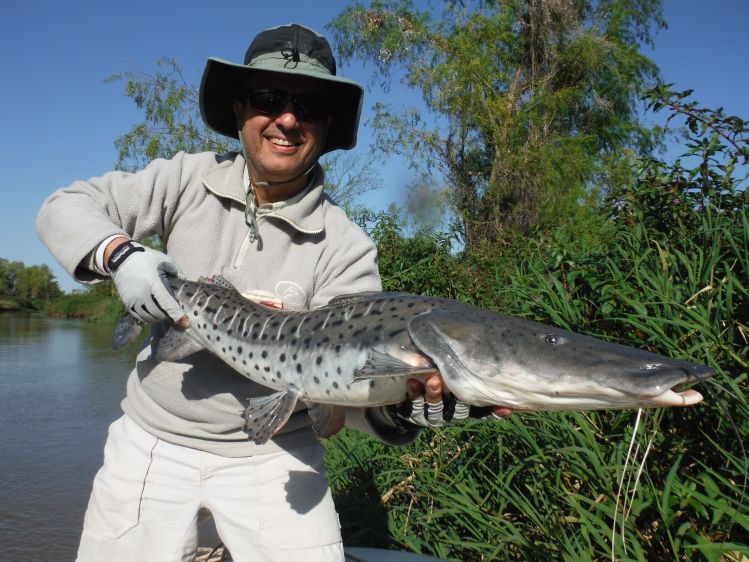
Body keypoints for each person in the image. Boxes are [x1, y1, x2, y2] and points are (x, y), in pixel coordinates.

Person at [37, 23, 510, 562]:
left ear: (327, 126)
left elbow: (345, 398)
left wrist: (407, 410)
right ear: (240, 109)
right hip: (153, 437)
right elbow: (63, 206)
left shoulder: (347, 247)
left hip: (279, 450)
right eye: (268, 99)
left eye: (308, 107)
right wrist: (120, 255)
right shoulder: (184, 178)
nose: (287, 119)